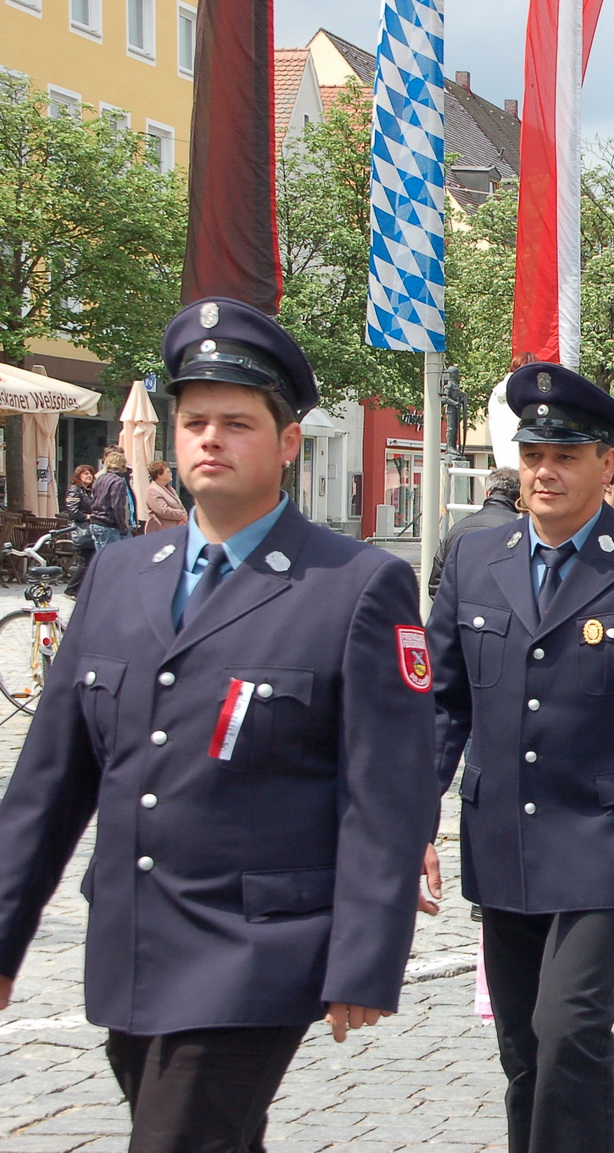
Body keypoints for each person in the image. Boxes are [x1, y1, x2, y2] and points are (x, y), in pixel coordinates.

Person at [0, 297, 437, 1153]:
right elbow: (50, 780)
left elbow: (385, 790)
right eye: (193, 420)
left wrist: (366, 953)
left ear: (284, 444)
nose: (209, 439)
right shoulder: (121, 576)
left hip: (258, 943)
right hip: (134, 932)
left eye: (236, 422)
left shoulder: (353, 585)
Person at [428, 362, 614, 1153]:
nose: (545, 471)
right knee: (525, 1050)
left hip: (603, 837)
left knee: (570, 1031)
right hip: (503, 839)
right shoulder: (473, 560)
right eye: (533, 455)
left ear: (607, 465)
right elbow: (441, 706)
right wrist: (406, 819)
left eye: (564, 455)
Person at [429, 467, 522, 599]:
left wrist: (452, 611)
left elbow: (436, 582)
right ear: (520, 495)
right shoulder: (521, 527)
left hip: (461, 614)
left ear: (487, 492)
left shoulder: (458, 528)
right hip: (502, 615)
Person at [62, 462, 97, 598]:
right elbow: (73, 512)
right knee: (85, 562)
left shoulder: (89, 491)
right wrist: (88, 516)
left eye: (90, 473)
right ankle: (71, 589)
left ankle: (81, 590)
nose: (89, 476)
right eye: (86, 473)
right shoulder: (75, 490)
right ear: (78, 476)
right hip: (82, 531)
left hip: (90, 531)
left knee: (89, 561)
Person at [89, 449, 136, 543]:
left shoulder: (99, 478)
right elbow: (117, 506)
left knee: (102, 556)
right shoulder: (118, 481)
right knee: (113, 557)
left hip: (95, 522)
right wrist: (123, 527)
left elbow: (94, 498)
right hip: (109, 524)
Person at [142, 460, 187, 534]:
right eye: (168, 472)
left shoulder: (169, 488)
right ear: (159, 475)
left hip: (175, 529)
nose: (171, 474)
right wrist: (181, 515)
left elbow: (179, 505)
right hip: (160, 532)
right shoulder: (153, 490)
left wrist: (183, 517)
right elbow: (163, 511)